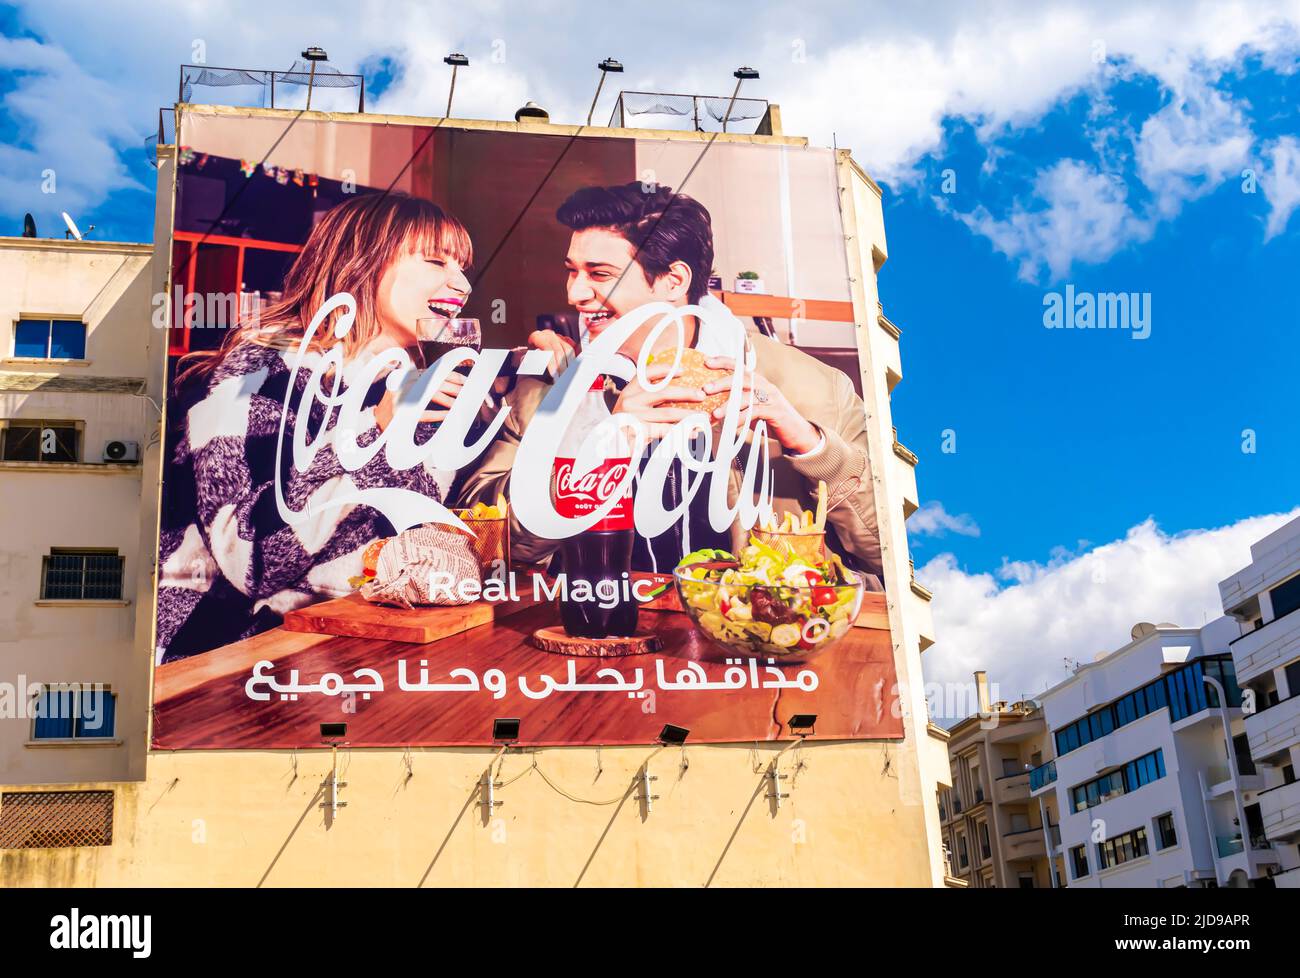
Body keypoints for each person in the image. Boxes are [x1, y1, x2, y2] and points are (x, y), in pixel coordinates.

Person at [460, 182, 883, 583]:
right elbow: (479, 549)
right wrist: (600, 451)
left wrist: (809, 445)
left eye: (600, 274)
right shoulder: (545, 390)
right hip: (594, 635)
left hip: (747, 641)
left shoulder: (815, 389)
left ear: (672, 281)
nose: (575, 293)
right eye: (572, 271)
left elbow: (887, 560)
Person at [156, 193, 478, 660]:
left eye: (463, 268)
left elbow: (413, 541)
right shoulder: (262, 371)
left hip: (354, 646)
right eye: (436, 261)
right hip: (224, 661)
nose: (461, 284)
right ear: (361, 263)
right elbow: (252, 563)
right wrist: (377, 428)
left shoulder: (409, 386)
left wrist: (556, 387)